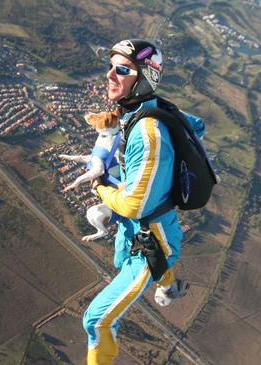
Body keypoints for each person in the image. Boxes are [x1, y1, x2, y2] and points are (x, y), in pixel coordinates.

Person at [82, 39, 204, 365]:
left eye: (122, 70)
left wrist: (100, 189)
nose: (110, 74)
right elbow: (196, 126)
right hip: (140, 232)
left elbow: (134, 205)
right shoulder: (144, 111)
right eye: (110, 66)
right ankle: (168, 285)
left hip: (153, 240)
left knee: (97, 320)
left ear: (143, 78)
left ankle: (165, 283)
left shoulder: (148, 131)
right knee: (123, 265)